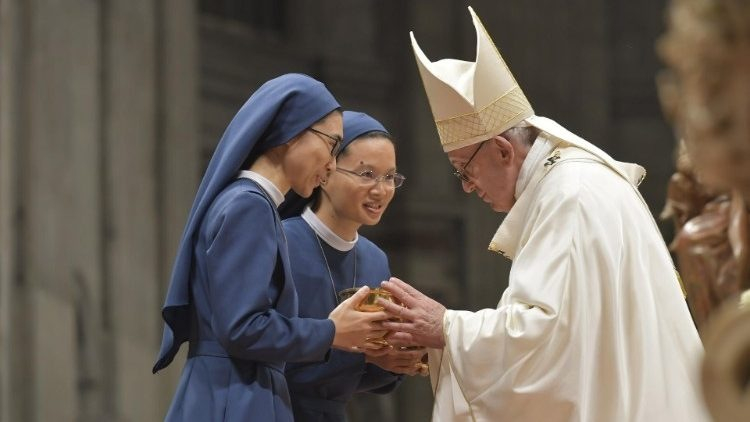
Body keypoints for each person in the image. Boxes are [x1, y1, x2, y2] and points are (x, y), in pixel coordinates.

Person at [376, 7, 709, 422]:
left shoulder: (570, 195)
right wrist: (439, 344)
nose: (466, 186)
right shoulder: (571, 183)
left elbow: (548, 340)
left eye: (465, 170)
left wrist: (445, 327)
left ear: (503, 150)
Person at [152, 74, 388, 422]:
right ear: (292, 133)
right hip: (235, 398)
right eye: (331, 145)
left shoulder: (253, 204)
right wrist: (331, 331)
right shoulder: (250, 205)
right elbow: (242, 328)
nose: (331, 164)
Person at [280, 111, 426, 421]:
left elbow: (347, 381)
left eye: (390, 177)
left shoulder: (375, 258)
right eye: (366, 174)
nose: (381, 190)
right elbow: (259, 350)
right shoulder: (280, 242)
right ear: (325, 172)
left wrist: (391, 361)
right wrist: (356, 356)